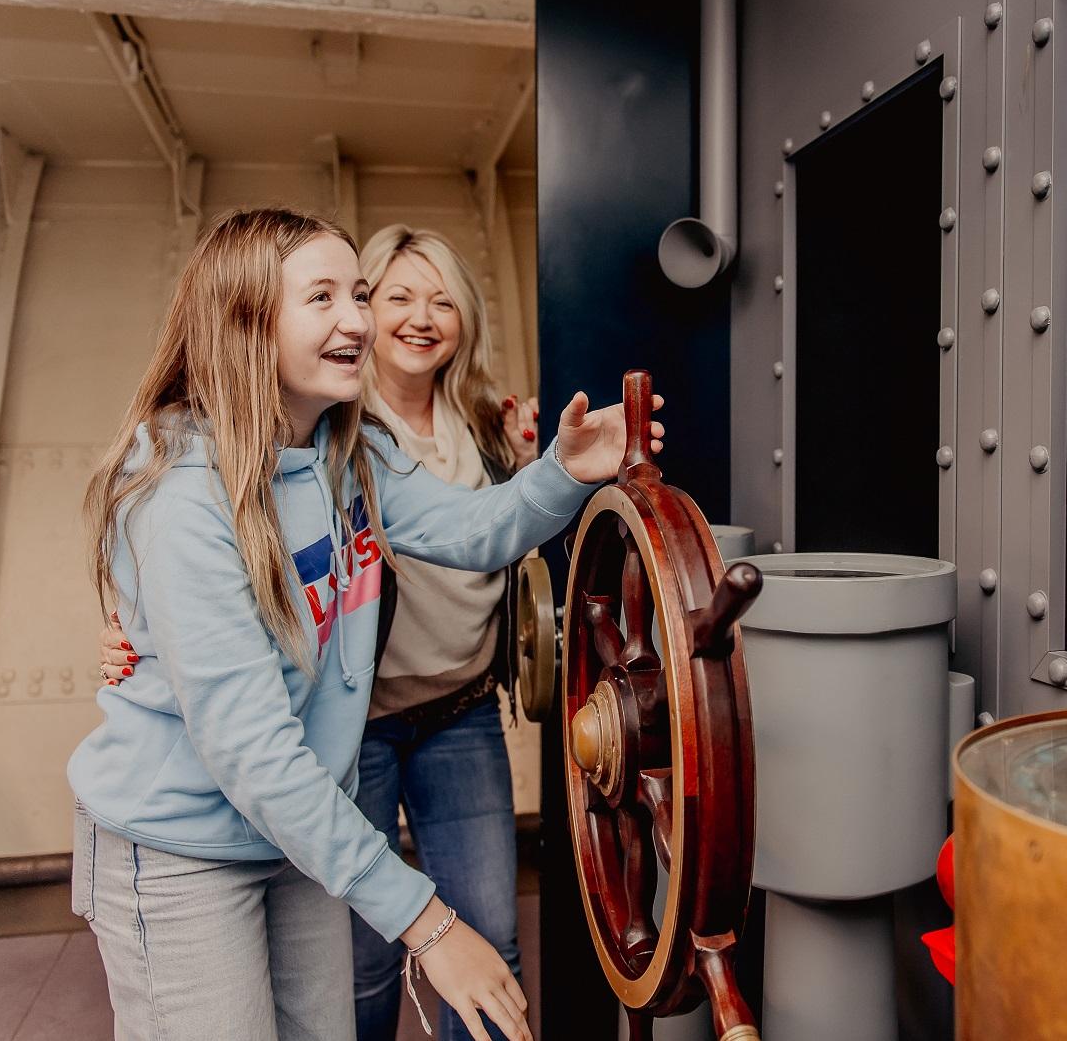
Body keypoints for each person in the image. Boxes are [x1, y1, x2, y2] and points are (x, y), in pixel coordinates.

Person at [70, 207, 662, 1041]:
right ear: (244, 320)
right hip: (183, 846)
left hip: (300, 833)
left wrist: (566, 468)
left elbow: (475, 530)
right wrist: (432, 922)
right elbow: (253, 752)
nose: (356, 319)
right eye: (323, 298)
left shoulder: (352, 451)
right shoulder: (181, 496)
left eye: (356, 292)